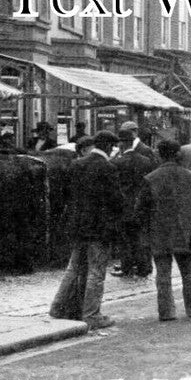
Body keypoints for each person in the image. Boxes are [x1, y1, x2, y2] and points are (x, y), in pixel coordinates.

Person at [51, 133, 121, 329]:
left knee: (73, 268)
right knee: (96, 272)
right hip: (99, 228)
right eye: (113, 146)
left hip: (78, 225)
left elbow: (67, 195)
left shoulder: (77, 164)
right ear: (107, 146)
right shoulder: (108, 168)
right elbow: (115, 200)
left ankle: (57, 308)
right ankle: (91, 314)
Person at [136, 140, 191, 320]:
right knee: (188, 273)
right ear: (178, 154)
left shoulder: (150, 178)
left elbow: (140, 210)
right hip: (186, 232)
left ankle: (167, 312)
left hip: (159, 233)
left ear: (159, 155)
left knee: (163, 275)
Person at [112, 127, 157, 277]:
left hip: (124, 207)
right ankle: (144, 267)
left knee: (125, 239)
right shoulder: (145, 161)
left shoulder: (117, 163)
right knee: (141, 237)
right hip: (142, 205)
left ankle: (127, 267)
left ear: (121, 144)